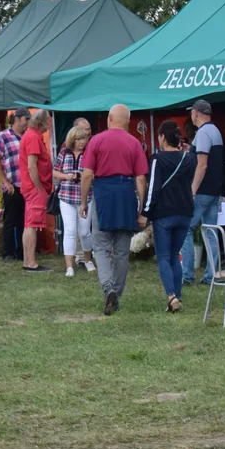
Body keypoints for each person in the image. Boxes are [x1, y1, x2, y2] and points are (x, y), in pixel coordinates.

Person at [80, 104, 148, 315]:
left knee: (99, 246)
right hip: (126, 194)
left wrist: (83, 201)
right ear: (128, 121)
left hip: (103, 195)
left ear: (110, 118)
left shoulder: (97, 141)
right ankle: (116, 294)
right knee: (121, 251)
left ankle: (108, 288)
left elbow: (87, 174)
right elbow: (141, 179)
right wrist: (141, 208)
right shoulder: (134, 143)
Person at [141, 121, 197, 314]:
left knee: (164, 257)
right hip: (185, 211)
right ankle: (178, 297)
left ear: (162, 137)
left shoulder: (158, 159)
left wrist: (144, 213)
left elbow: (153, 188)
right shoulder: (189, 159)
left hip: (164, 213)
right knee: (175, 255)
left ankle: (171, 296)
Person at [181, 99, 224, 286]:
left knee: (185, 229)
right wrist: (189, 150)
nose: (191, 115)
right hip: (215, 189)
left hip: (202, 190)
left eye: (192, 112)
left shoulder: (203, 132)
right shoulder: (215, 131)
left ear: (196, 113)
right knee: (210, 231)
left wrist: (192, 190)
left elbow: (202, 164)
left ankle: (187, 276)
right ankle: (211, 275)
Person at [54, 125, 96, 278]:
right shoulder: (64, 153)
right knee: (70, 231)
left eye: (83, 139)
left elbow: (94, 173)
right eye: (78, 139)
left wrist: (82, 176)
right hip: (66, 197)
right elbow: (54, 171)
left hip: (86, 197)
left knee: (85, 232)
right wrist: (66, 176)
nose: (82, 142)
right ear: (72, 140)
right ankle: (69, 266)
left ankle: (88, 260)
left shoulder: (90, 153)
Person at [0, 108, 30, 263]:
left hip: (27, 185)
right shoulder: (3, 136)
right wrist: (5, 181)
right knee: (10, 220)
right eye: (26, 119)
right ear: (18, 119)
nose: (28, 122)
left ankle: (22, 251)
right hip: (12, 184)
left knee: (24, 220)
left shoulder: (28, 136)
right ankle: (8, 252)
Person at [19, 109, 54, 273]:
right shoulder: (33, 137)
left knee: (29, 224)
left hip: (31, 187)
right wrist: (39, 187)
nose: (50, 124)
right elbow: (32, 165)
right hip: (35, 188)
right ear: (42, 122)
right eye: (48, 121)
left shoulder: (31, 135)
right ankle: (31, 263)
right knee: (32, 224)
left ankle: (28, 261)